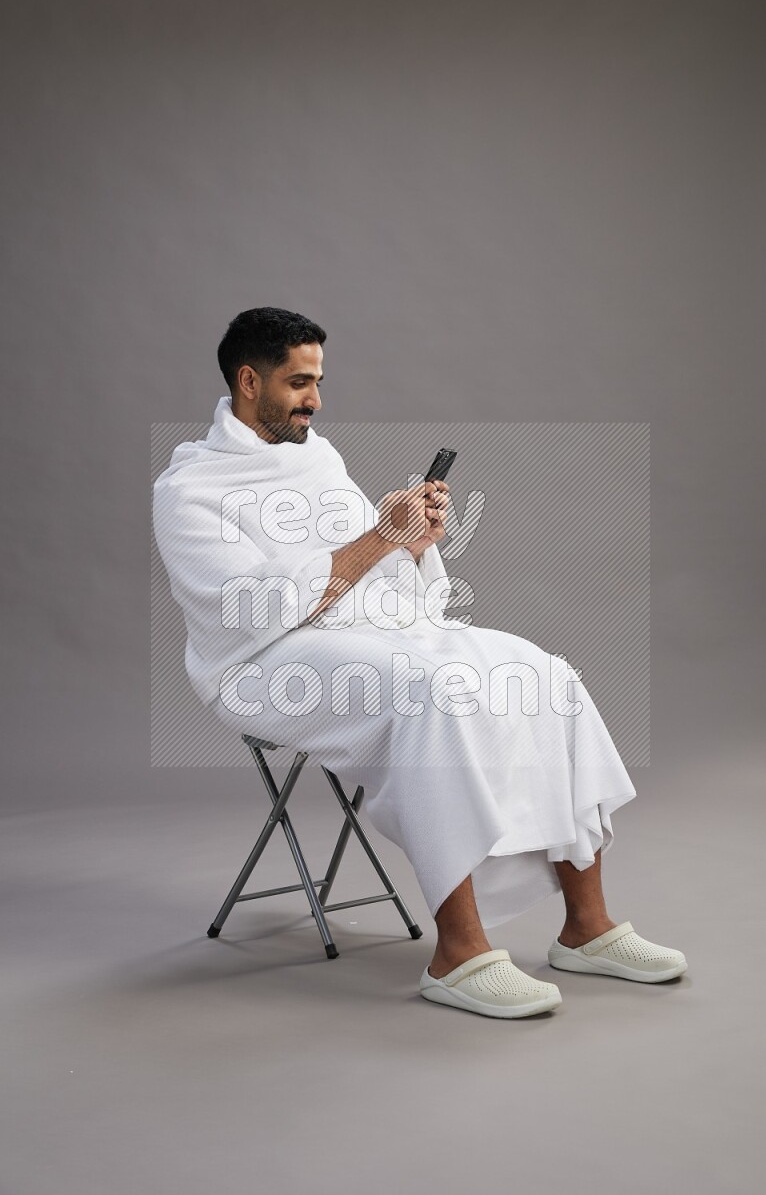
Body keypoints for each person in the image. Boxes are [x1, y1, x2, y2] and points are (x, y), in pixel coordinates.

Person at [152, 306, 687, 1019]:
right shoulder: (187, 492)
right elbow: (248, 611)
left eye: (318, 381)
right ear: (249, 382)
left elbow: (376, 577)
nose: (315, 398)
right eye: (299, 382)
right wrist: (379, 538)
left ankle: (584, 928)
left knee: (542, 673)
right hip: (261, 665)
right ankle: (457, 953)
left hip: (361, 631)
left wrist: (412, 543)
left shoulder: (317, 457)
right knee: (431, 691)